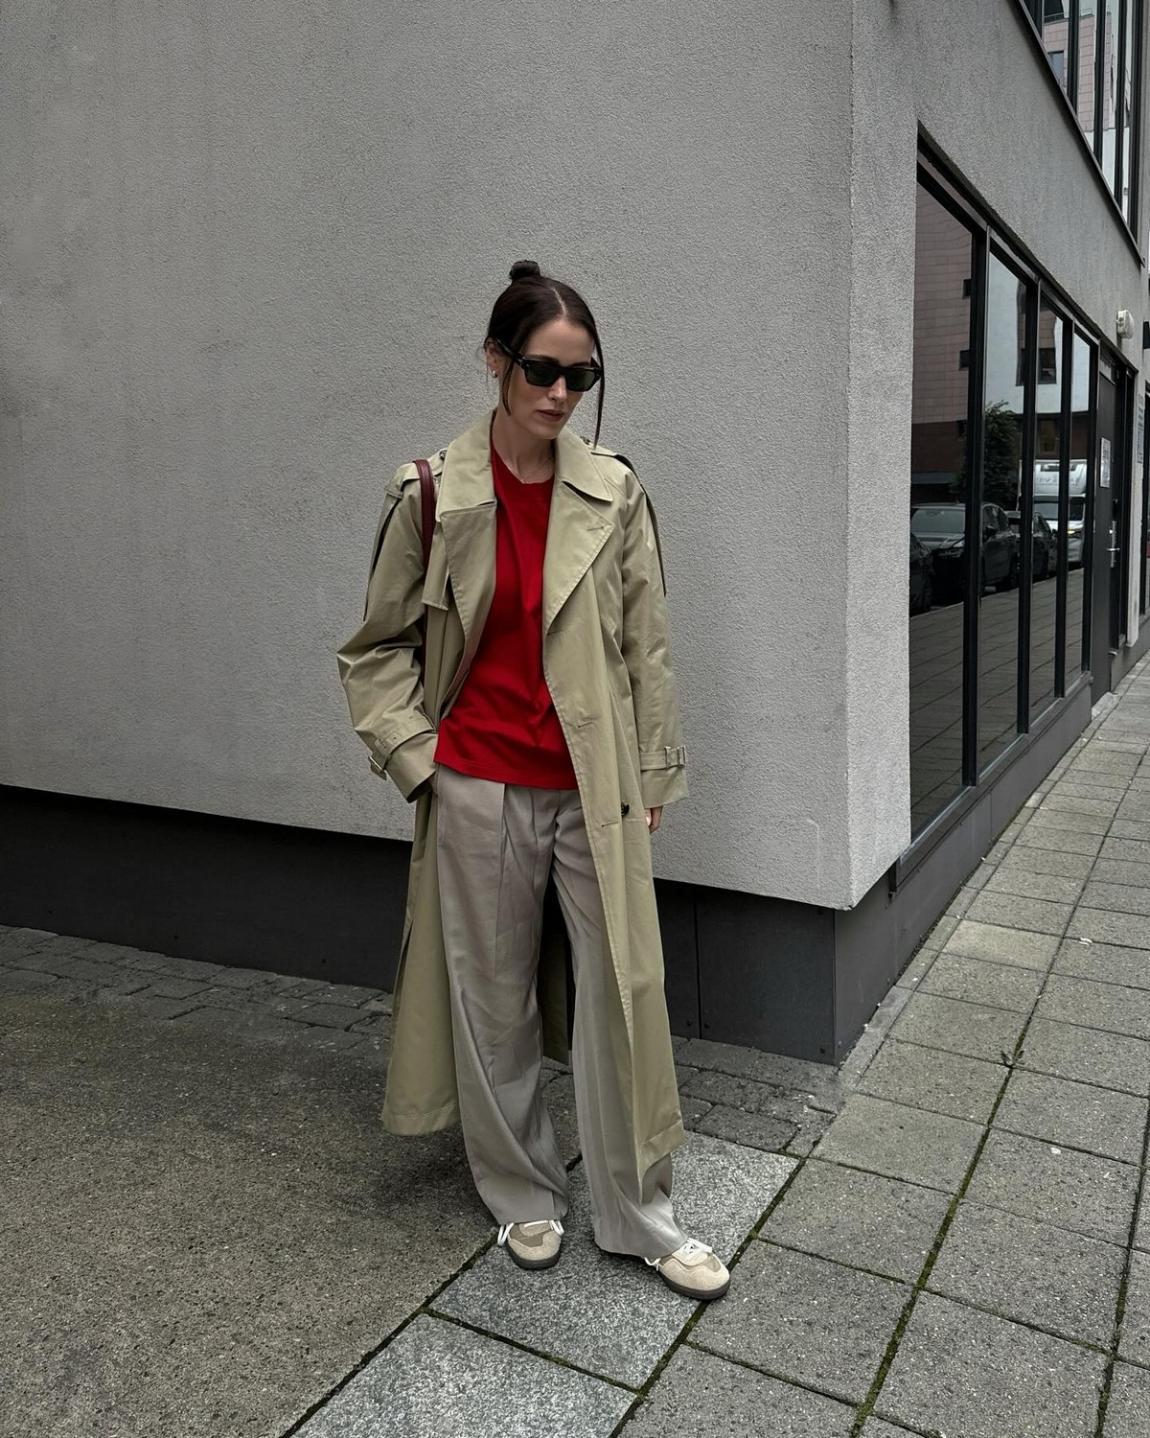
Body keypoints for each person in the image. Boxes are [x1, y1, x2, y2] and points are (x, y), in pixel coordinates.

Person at [337, 261, 729, 1301]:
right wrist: (420, 761)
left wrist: (654, 768)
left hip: (594, 784)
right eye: (542, 371)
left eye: (581, 376)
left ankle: (641, 1214)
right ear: (494, 361)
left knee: (625, 990)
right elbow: (373, 651)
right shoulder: (430, 493)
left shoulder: (614, 490)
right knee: (492, 996)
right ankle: (522, 1191)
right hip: (478, 784)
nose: (560, 395)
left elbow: (647, 644)